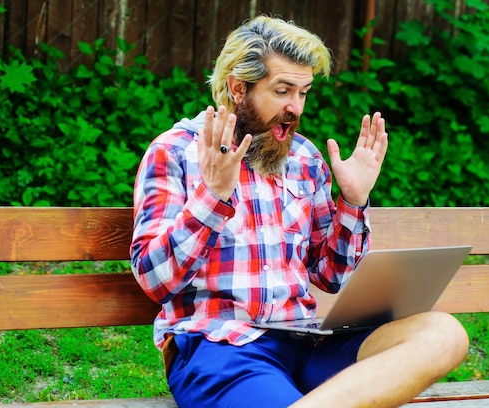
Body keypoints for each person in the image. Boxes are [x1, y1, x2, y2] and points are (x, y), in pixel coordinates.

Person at [130, 15, 469, 408]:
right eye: (283, 90)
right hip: (221, 348)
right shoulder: (174, 153)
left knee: (442, 332)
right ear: (238, 88)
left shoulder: (304, 158)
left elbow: (331, 276)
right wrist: (213, 197)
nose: (296, 107)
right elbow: (154, 280)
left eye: (304, 92)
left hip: (307, 343)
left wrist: (353, 201)